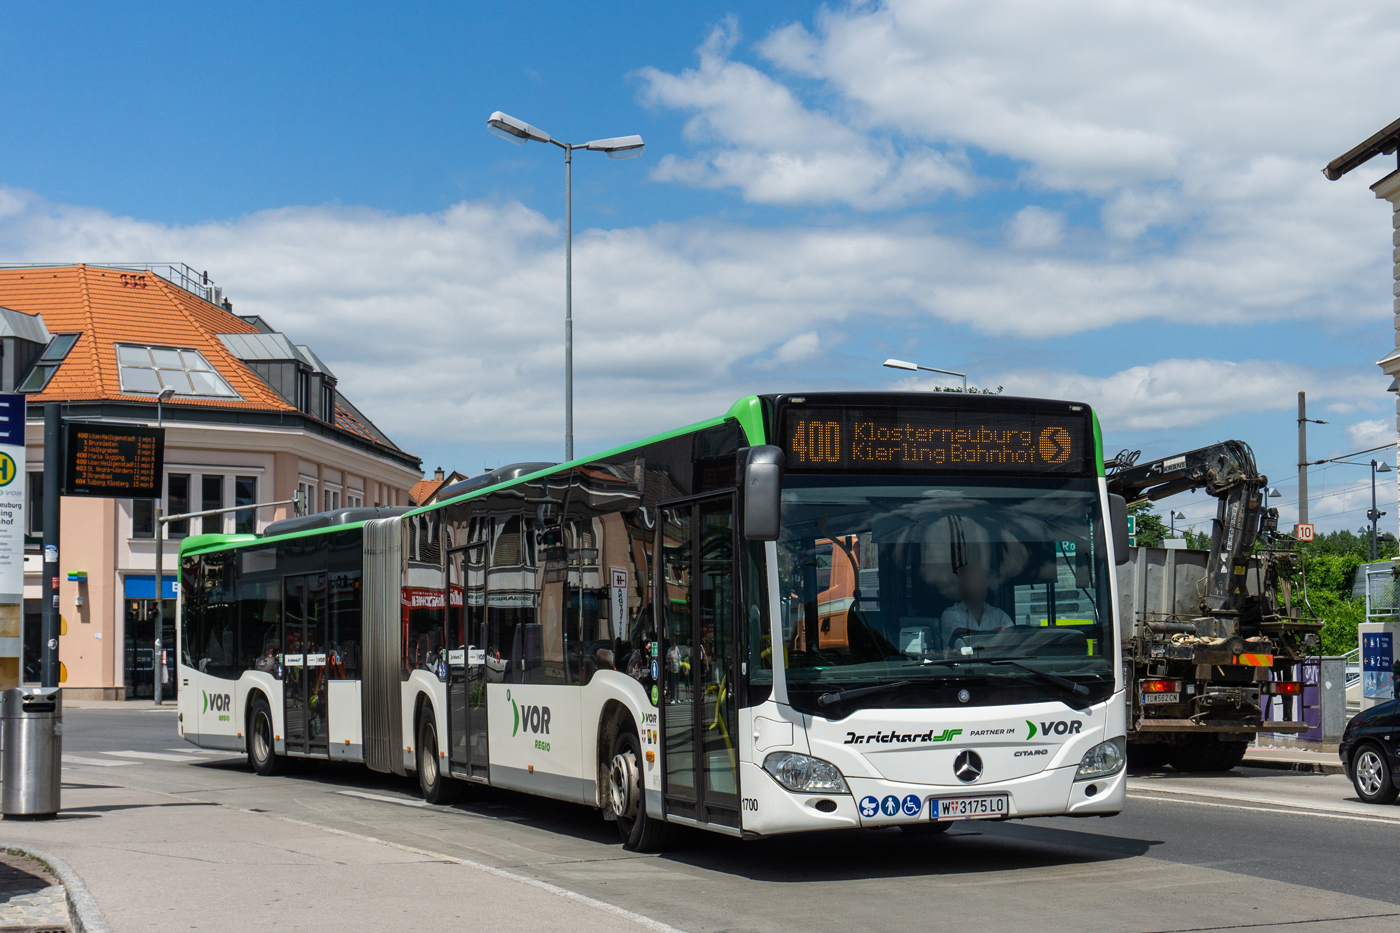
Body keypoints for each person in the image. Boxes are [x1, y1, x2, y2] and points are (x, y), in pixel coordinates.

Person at [941, 565, 1013, 636]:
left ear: (986, 590)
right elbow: (958, 634)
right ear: (961, 589)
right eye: (970, 583)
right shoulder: (950, 614)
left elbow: (1013, 637)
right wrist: (992, 634)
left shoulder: (1000, 616)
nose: (975, 588)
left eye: (979, 583)